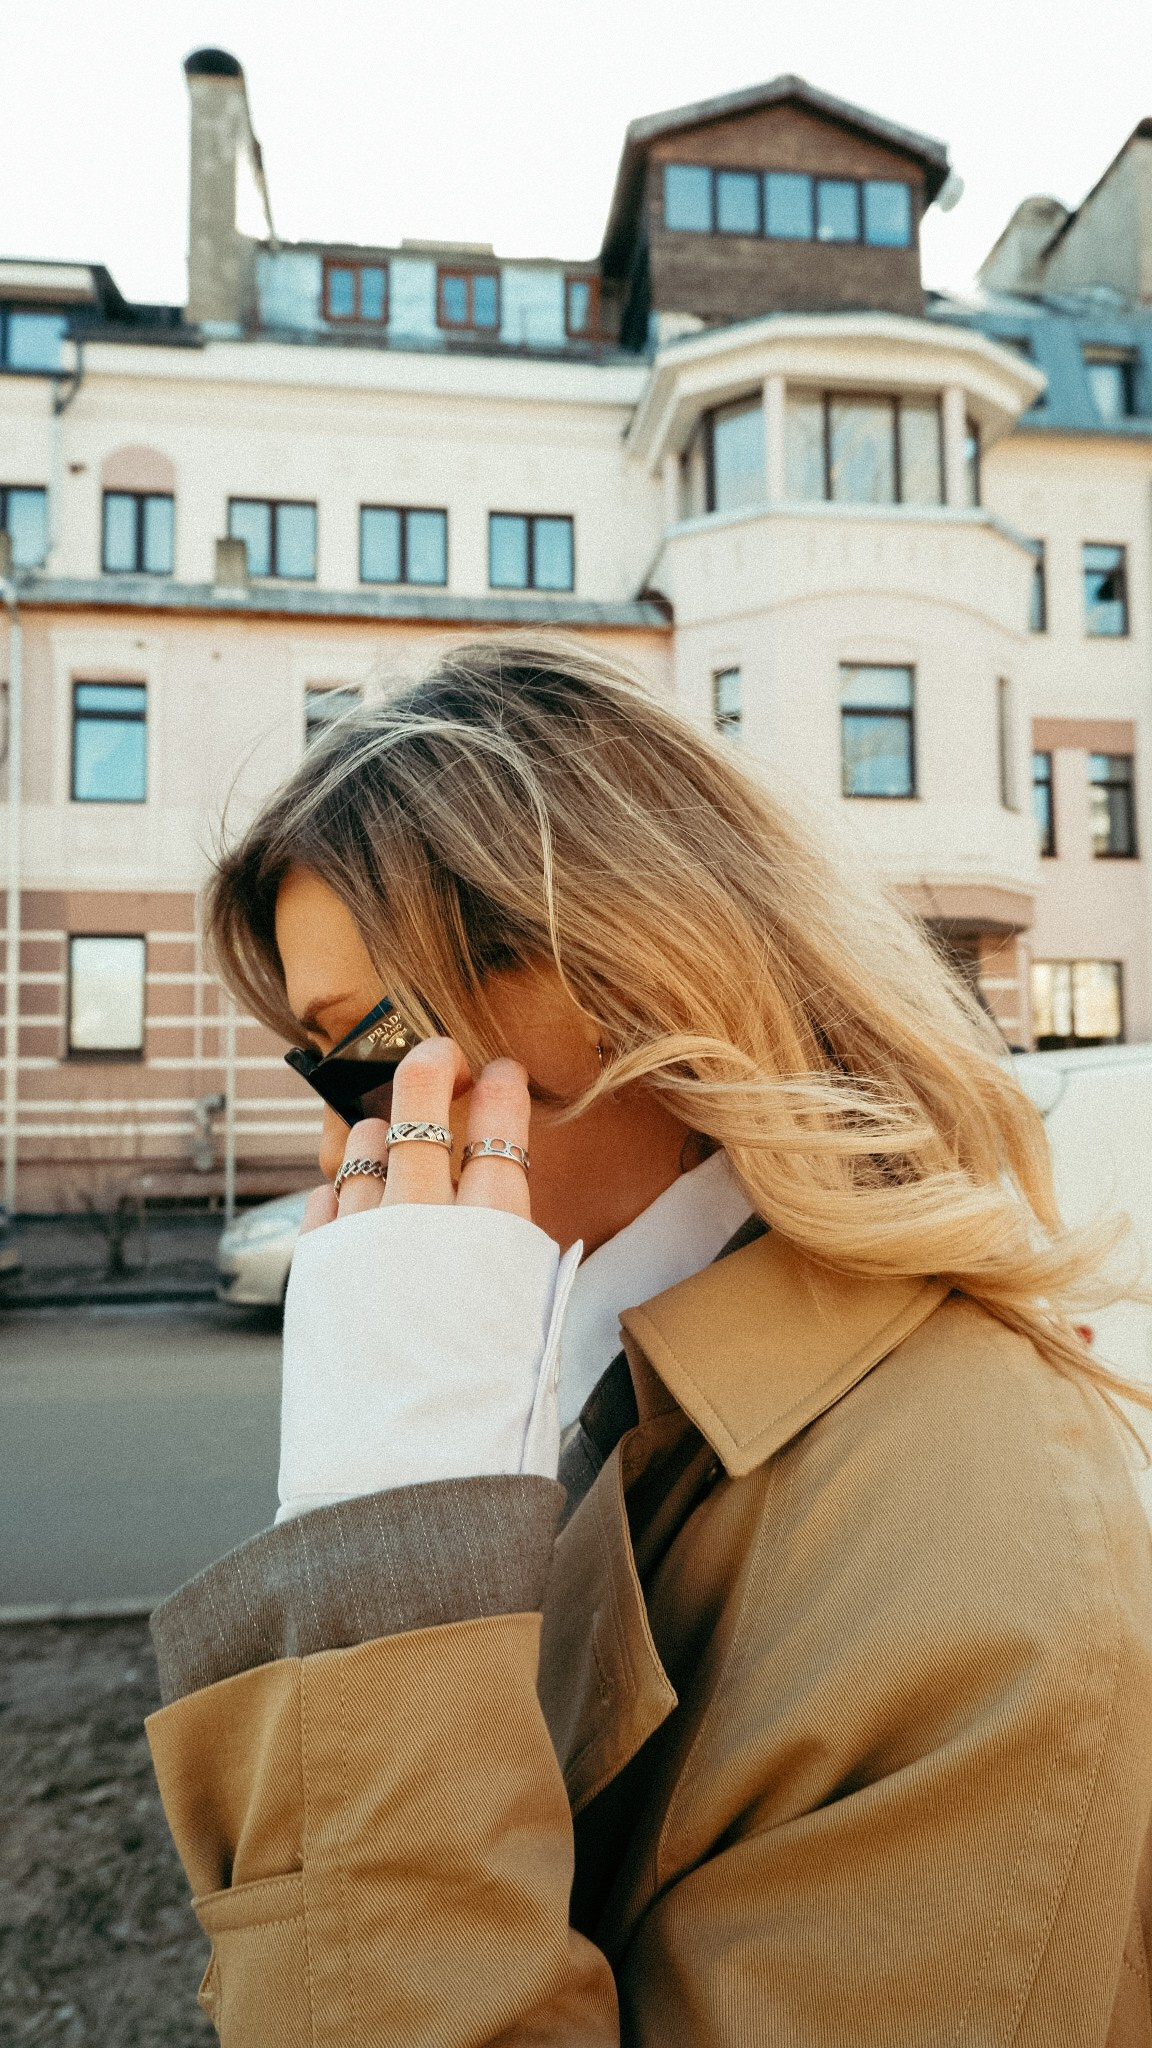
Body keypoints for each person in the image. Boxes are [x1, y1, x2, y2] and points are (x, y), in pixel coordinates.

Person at [147, 640, 1152, 2046]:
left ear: (638, 972)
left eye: (372, 1053)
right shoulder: (598, 1379)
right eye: (327, 1068)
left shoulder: (974, 1515)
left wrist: (386, 1554)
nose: (348, 1140)